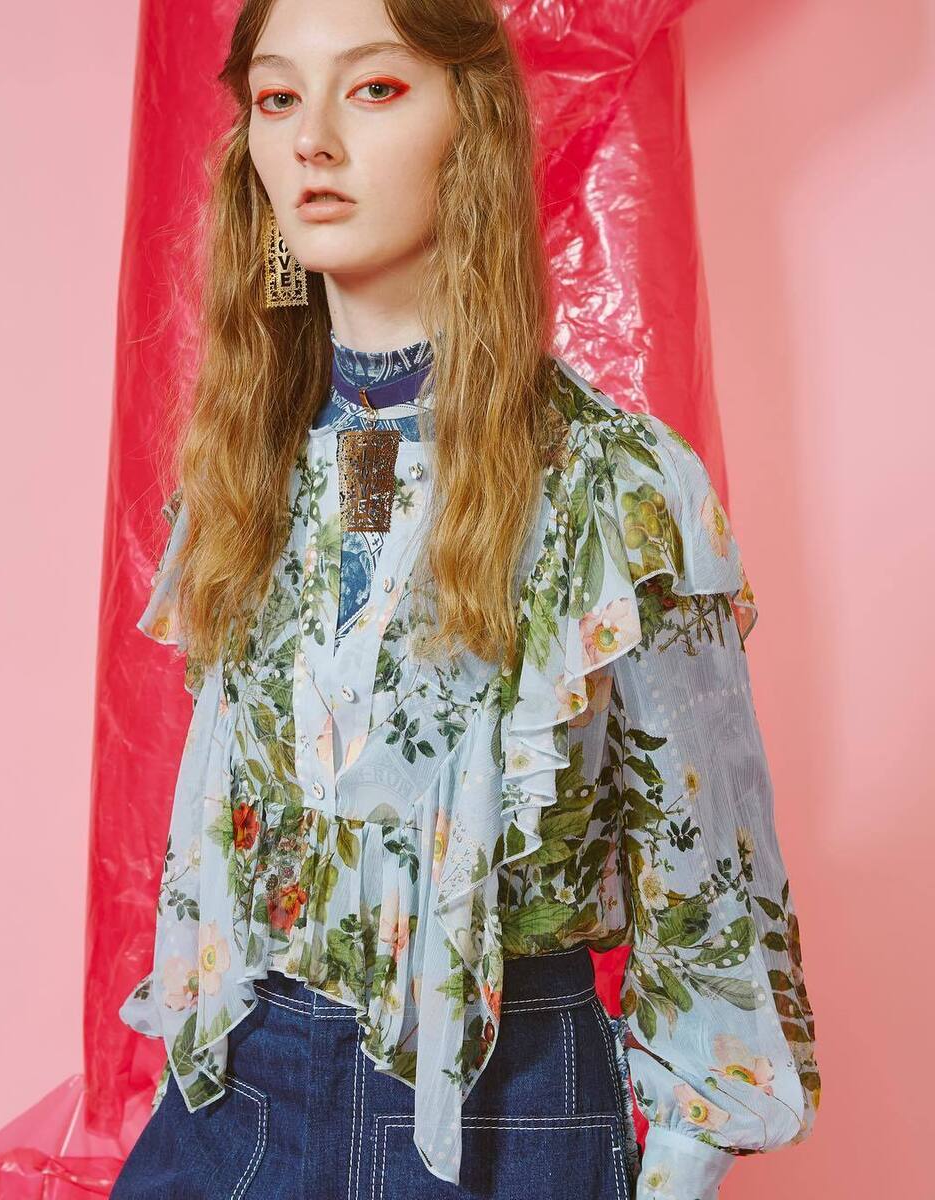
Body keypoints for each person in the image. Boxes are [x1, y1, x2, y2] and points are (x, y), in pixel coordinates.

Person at [111, 0, 820, 1196]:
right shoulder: (255, 468)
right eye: (278, 98)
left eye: (374, 88)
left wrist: (684, 1159)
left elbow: (709, 883)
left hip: (505, 1112)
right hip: (238, 1102)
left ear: (472, 127)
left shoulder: (615, 486)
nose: (312, 139)